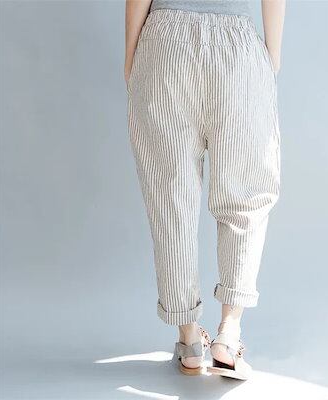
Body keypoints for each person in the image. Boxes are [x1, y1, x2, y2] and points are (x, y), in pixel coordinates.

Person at [124, 0, 285, 380]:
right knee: (245, 196)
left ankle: (189, 339)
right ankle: (228, 334)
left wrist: (131, 56)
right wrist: (270, 60)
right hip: (238, 48)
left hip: (164, 44)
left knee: (170, 198)